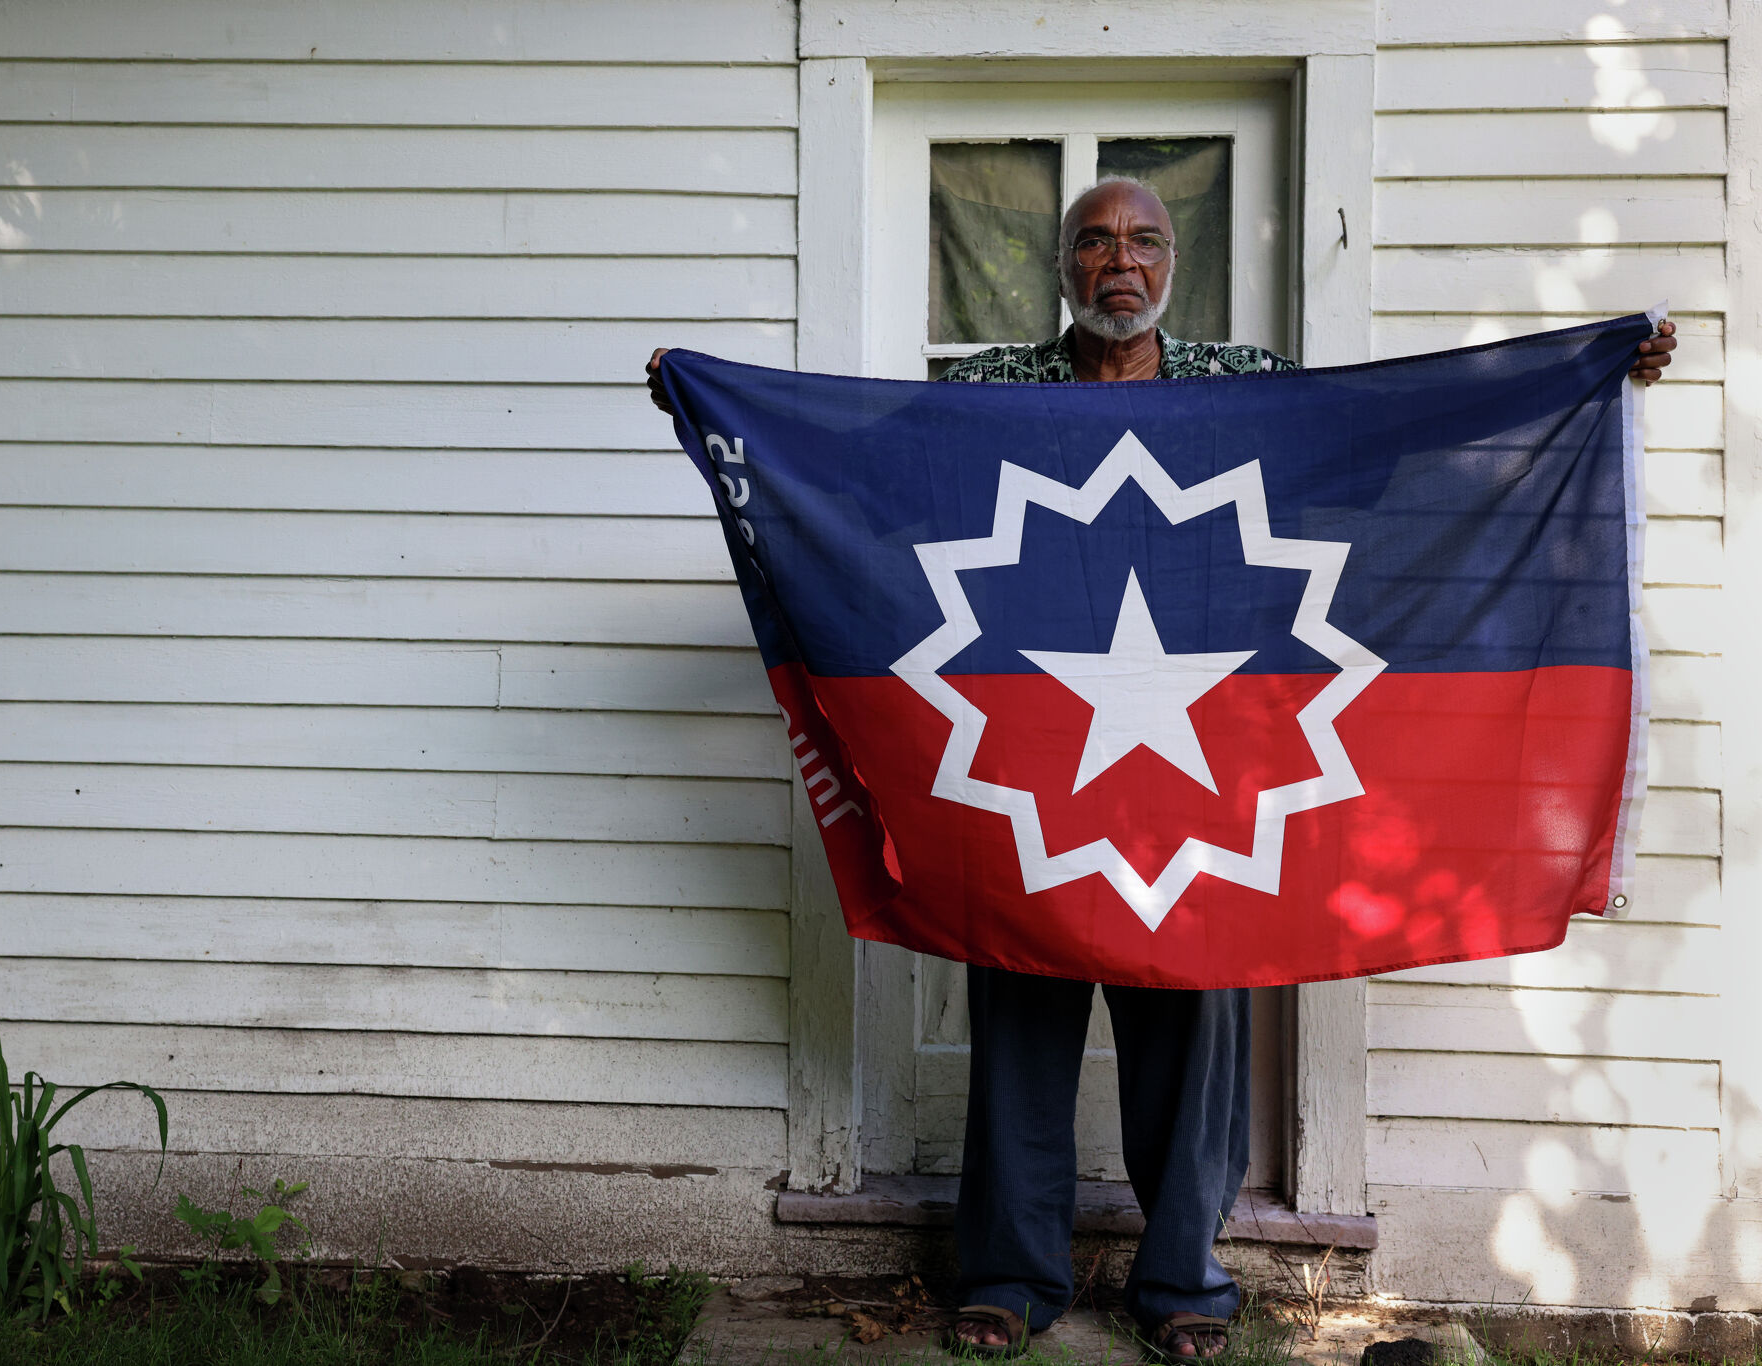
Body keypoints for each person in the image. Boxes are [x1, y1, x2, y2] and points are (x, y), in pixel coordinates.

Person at [645, 176, 1676, 1361]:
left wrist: (1583, 374)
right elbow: (861, 478)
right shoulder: (983, 395)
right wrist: (712, 399)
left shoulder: (1246, 387)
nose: (1116, 263)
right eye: (1092, 242)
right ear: (1064, 265)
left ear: (1170, 263)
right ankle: (1006, 1274)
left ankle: (1183, 1283)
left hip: (1210, 760)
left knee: (1193, 1035)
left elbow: (1383, 447)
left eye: (1140, 241)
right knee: (1020, 1019)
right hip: (1026, 759)